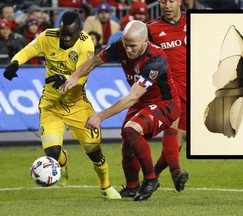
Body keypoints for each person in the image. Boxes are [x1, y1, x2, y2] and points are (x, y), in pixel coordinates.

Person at [2, 11, 121, 200]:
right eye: (63, 33)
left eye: (70, 35)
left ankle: (105, 186)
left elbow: (83, 74)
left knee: (94, 151)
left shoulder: (85, 43)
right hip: (51, 105)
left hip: (77, 105)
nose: (66, 38)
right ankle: (62, 163)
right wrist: (15, 63)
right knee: (52, 153)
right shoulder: (48, 36)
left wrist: (65, 79)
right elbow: (28, 50)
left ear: (79, 31)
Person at [61, 20, 182, 201]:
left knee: (131, 129)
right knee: (127, 143)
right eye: (126, 45)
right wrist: (74, 76)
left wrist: (100, 116)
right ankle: (132, 186)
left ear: (145, 42)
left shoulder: (156, 60)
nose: (128, 50)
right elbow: (93, 62)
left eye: (133, 46)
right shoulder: (120, 46)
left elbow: (132, 96)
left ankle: (151, 179)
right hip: (142, 101)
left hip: (165, 104)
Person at [146, 0, 189, 190]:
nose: (167, 5)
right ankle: (176, 173)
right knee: (171, 129)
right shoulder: (152, 29)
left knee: (179, 140)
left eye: (171, 0)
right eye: (163, 1)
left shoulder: (194, 23)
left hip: (192, 88)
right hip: (168, 89)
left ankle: (152, 177)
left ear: (179, 1)